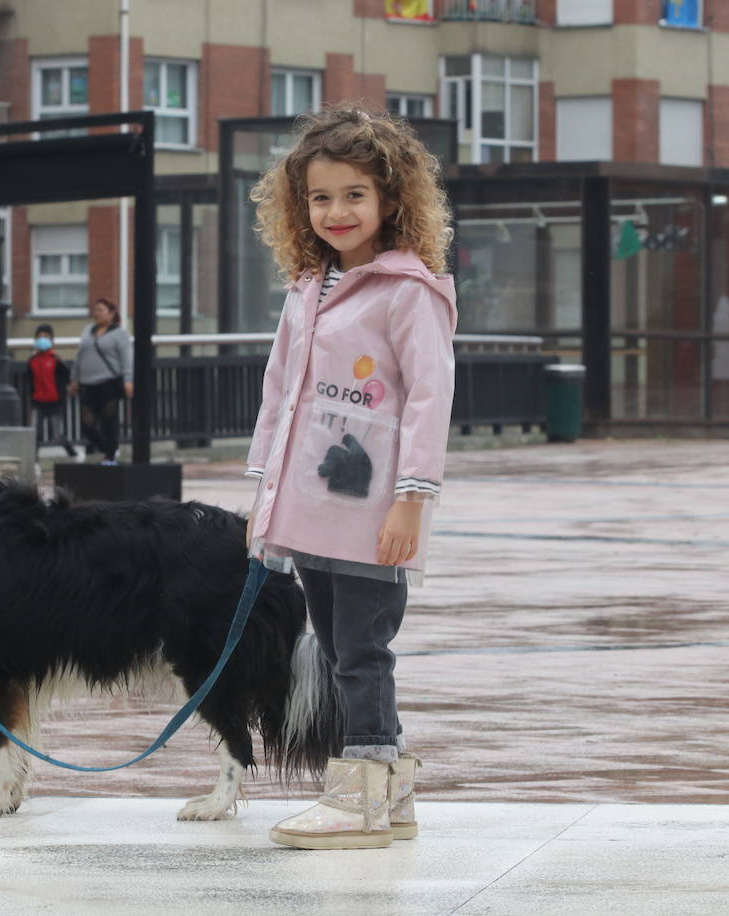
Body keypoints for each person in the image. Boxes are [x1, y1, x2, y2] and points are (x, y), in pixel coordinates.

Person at [246, 106, 456, 850]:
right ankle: (388, 787)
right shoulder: (309, 290)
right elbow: (281, 397)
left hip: (373, 513)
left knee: (363, 651)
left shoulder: (410, 291)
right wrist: (263, 495)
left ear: (391, 200)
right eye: (320, 197)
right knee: (335, 651)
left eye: (354, 194)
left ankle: (359, 792)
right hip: (308, 509)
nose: (336, 211)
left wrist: (412, 502)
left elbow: (430, 401)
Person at [68, 297, 133, 465]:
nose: (97, 313)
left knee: (108, 420)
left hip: (109, 382)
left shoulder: (119, 334)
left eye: (101, 310)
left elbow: (127, 358)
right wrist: (74, 378)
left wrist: (128, 380)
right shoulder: (88, 331)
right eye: (95, 310)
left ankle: (110, 456)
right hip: (88, 384)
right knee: (86, 424)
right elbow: (79, 356)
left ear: (111, 314)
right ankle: (107, 449)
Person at [27, 324, 78, 458]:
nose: (42, 339)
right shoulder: (32, 361)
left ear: (52, 341)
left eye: (46, 337)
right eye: (39, 337)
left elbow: (68, 376)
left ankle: (72, 453)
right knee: (35, 432)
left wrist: (71, 386)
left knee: (55, 433)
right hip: (38, 401)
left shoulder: (56, 360)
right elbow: (30, 381)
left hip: (55, 402)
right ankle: (34, 459)